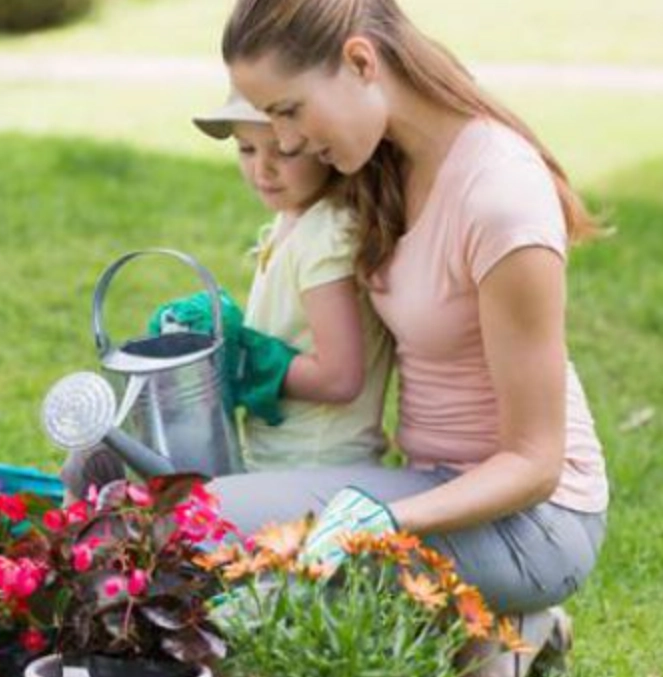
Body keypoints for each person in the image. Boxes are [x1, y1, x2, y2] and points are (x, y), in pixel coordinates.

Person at [209, 0, 608, 674]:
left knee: (254, 584)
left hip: (535, 522)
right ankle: (483, 625)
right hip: (428, 484)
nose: (289, 141)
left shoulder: (500, 197)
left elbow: (535, 463)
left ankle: (511, 622)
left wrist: (385, 521)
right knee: (198, 523)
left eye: (288, 110)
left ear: (361, 62)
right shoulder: (385, 159)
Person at [59, 90, 393, 498]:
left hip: (320, 470)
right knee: (104, 469)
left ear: (325, 146)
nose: (262, 169)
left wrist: (241, 357)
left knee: (174, 521)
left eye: (284, 151)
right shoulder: (293, 219)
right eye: (246, 149)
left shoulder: (327, 236)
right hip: (275, 462)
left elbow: (340, 378)